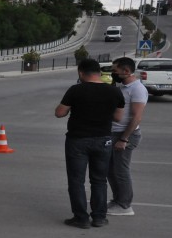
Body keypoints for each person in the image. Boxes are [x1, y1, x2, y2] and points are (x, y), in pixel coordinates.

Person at [55, 59, 124, 229]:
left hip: (78, 140)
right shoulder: (114, 92)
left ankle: (81, 218)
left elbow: (59, 113)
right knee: (99, 180)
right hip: (104, 140)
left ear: (80, 72)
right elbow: (118, 118)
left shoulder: (76, 90)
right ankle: (99, 217)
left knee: (76, 181)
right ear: (99, 73)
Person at [107, 57, 148, 216]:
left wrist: (124, 139)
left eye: (115, 70)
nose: (113, 73)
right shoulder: (122, 87)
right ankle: (117, 200)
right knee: (110, 170)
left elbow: (137, 117)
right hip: (114, 133)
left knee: (120, 171)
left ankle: (125, 205)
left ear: (126, 71)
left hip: (125, 135)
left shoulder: (137, 89)